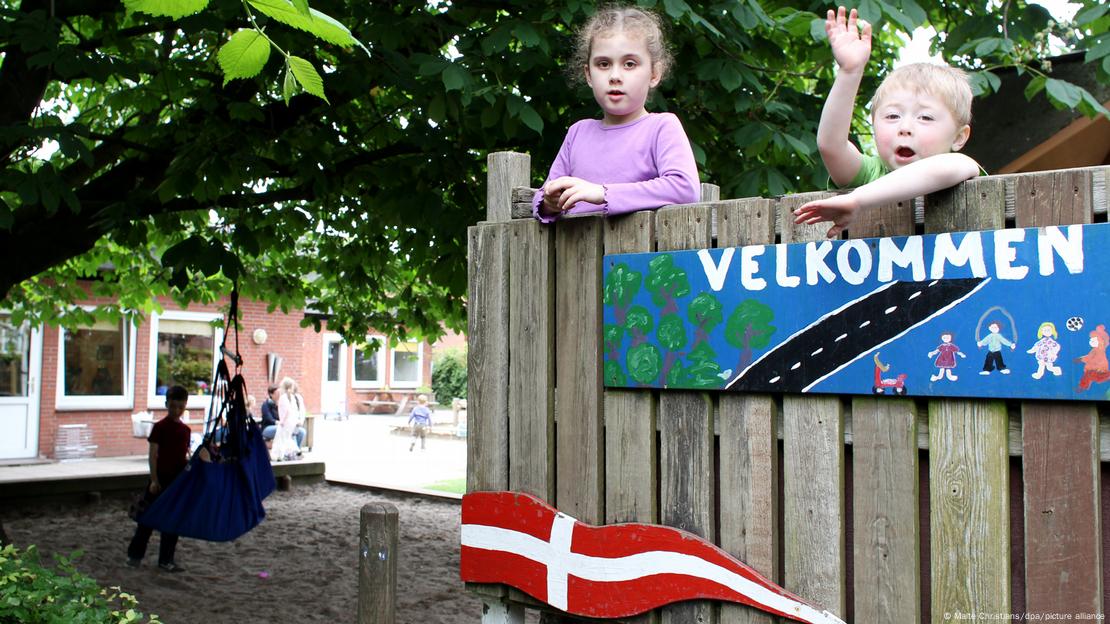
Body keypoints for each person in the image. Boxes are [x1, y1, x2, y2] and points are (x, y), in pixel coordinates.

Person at [793, 6, 982, 238]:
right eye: (892, 116)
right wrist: (850, 72)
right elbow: (830, 146)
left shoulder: (959, 167)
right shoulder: (870, 173)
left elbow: (950, 168)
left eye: (925, 117)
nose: (904, 128)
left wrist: (857, 200)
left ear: (959, 136)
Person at [532, 5, 699, 223]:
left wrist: (603, 193)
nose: (615, 76)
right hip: (574, 255)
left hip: (639, 255)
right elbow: (545, 194)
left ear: (655, 73)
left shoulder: (661, 127)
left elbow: (684, 189)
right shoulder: (578, 133)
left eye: (630, 64)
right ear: (588, 74)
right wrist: (549, 202)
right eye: (603, 64)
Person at [126, 385, 190, 573]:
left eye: (180, 407)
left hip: (176, 482)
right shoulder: (160, 427)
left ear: (185, 406)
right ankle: (134, 556)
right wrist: (154, 479)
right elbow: (153, 454)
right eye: (173, 406)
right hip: (160, 479)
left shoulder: (185, 430)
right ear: (166, 405)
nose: (176, 410)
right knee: (146, 520)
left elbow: (184, 454)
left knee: (173, 522)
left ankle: (166, 559)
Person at [260, 383, 305, 449]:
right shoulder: (266, 404)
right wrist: (280, 423)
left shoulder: (282, 403)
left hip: (283, 426)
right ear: (271, 394)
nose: (279, 394)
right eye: (277, 393)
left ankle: (295, 451)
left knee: (301, 431)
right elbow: (268, 418)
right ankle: (291, 451)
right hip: (268, 428)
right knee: (286, 430)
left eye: (279, 392)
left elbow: (288, 415)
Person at [272, 376, 305, 461]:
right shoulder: (292, 397)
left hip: (286, 422)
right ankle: (295, 452)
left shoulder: (283, 397)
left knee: (281, 438)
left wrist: (282, 421)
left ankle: (281, 455)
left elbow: (287, 411)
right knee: (287, 438)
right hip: (291, 422)